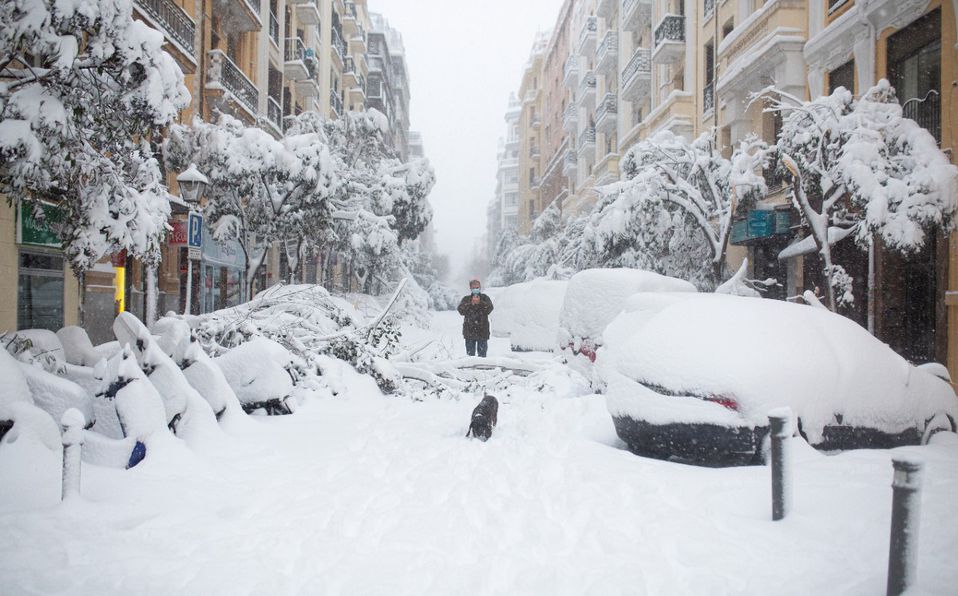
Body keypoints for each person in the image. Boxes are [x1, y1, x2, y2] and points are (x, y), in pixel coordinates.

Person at [457, 279, 494, 357]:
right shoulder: (466, 299)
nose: (476, 289)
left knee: (482, 356)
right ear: (470, 288)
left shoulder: (485, 298)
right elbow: (461, 311)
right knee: (470, 356)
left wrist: (480, 303)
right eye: (474, 287)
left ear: (480, 287)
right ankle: (470, 369)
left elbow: (490, 309)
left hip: (482, 331)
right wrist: (471, 304)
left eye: (477, 287)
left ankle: (483, 369)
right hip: (469, 331)